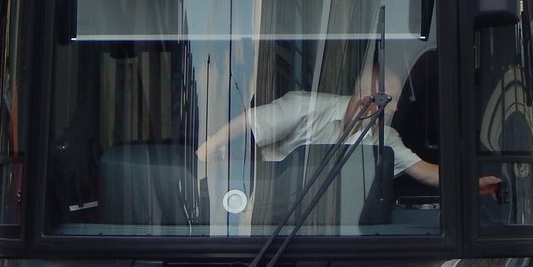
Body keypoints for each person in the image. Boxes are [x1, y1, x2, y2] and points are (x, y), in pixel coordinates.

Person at [197, 65, 500, 197]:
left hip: (332, 223)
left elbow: (427, 173)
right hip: (267, 207)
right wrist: (204, 154)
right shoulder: (304, 106)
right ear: (365, 97)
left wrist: (474, 184)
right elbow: (246, 123)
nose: (395, 110)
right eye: (388, 101)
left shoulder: (386, 138)